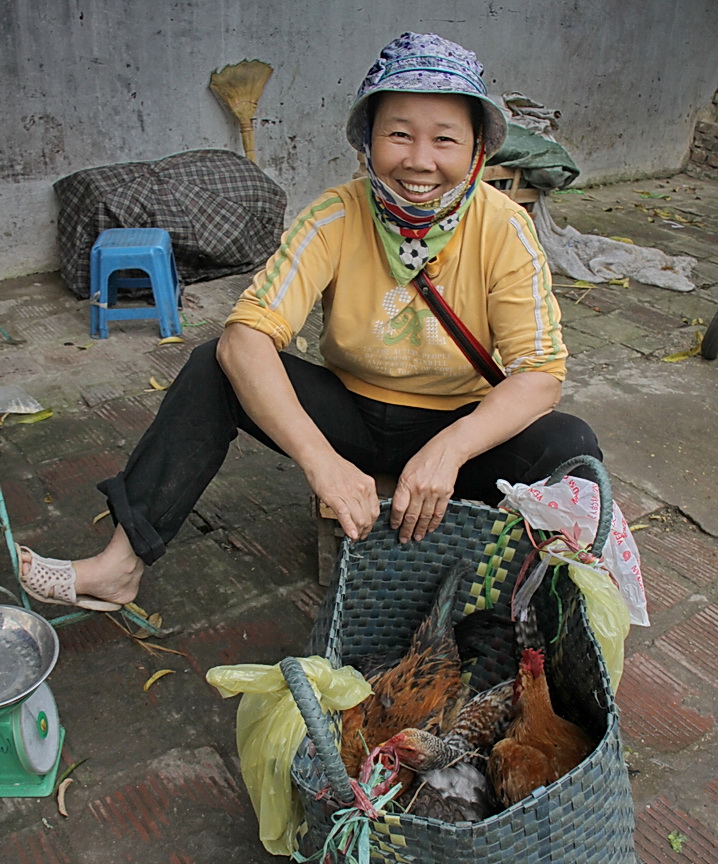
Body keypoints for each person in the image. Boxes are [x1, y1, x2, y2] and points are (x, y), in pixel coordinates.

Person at [17, 31, 601, 613]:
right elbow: (246, 338)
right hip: (354, 417)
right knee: (213, 366)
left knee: (571, 444)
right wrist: (322, 464)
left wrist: (447, 452)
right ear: (367, 143)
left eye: (444, 140)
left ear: (476, 152)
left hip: (460, 429)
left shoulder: (504, 228)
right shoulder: (333, 216)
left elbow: (541, 374)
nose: (419, 161)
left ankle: (519, 602)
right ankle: (120, 565)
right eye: (399, 134)